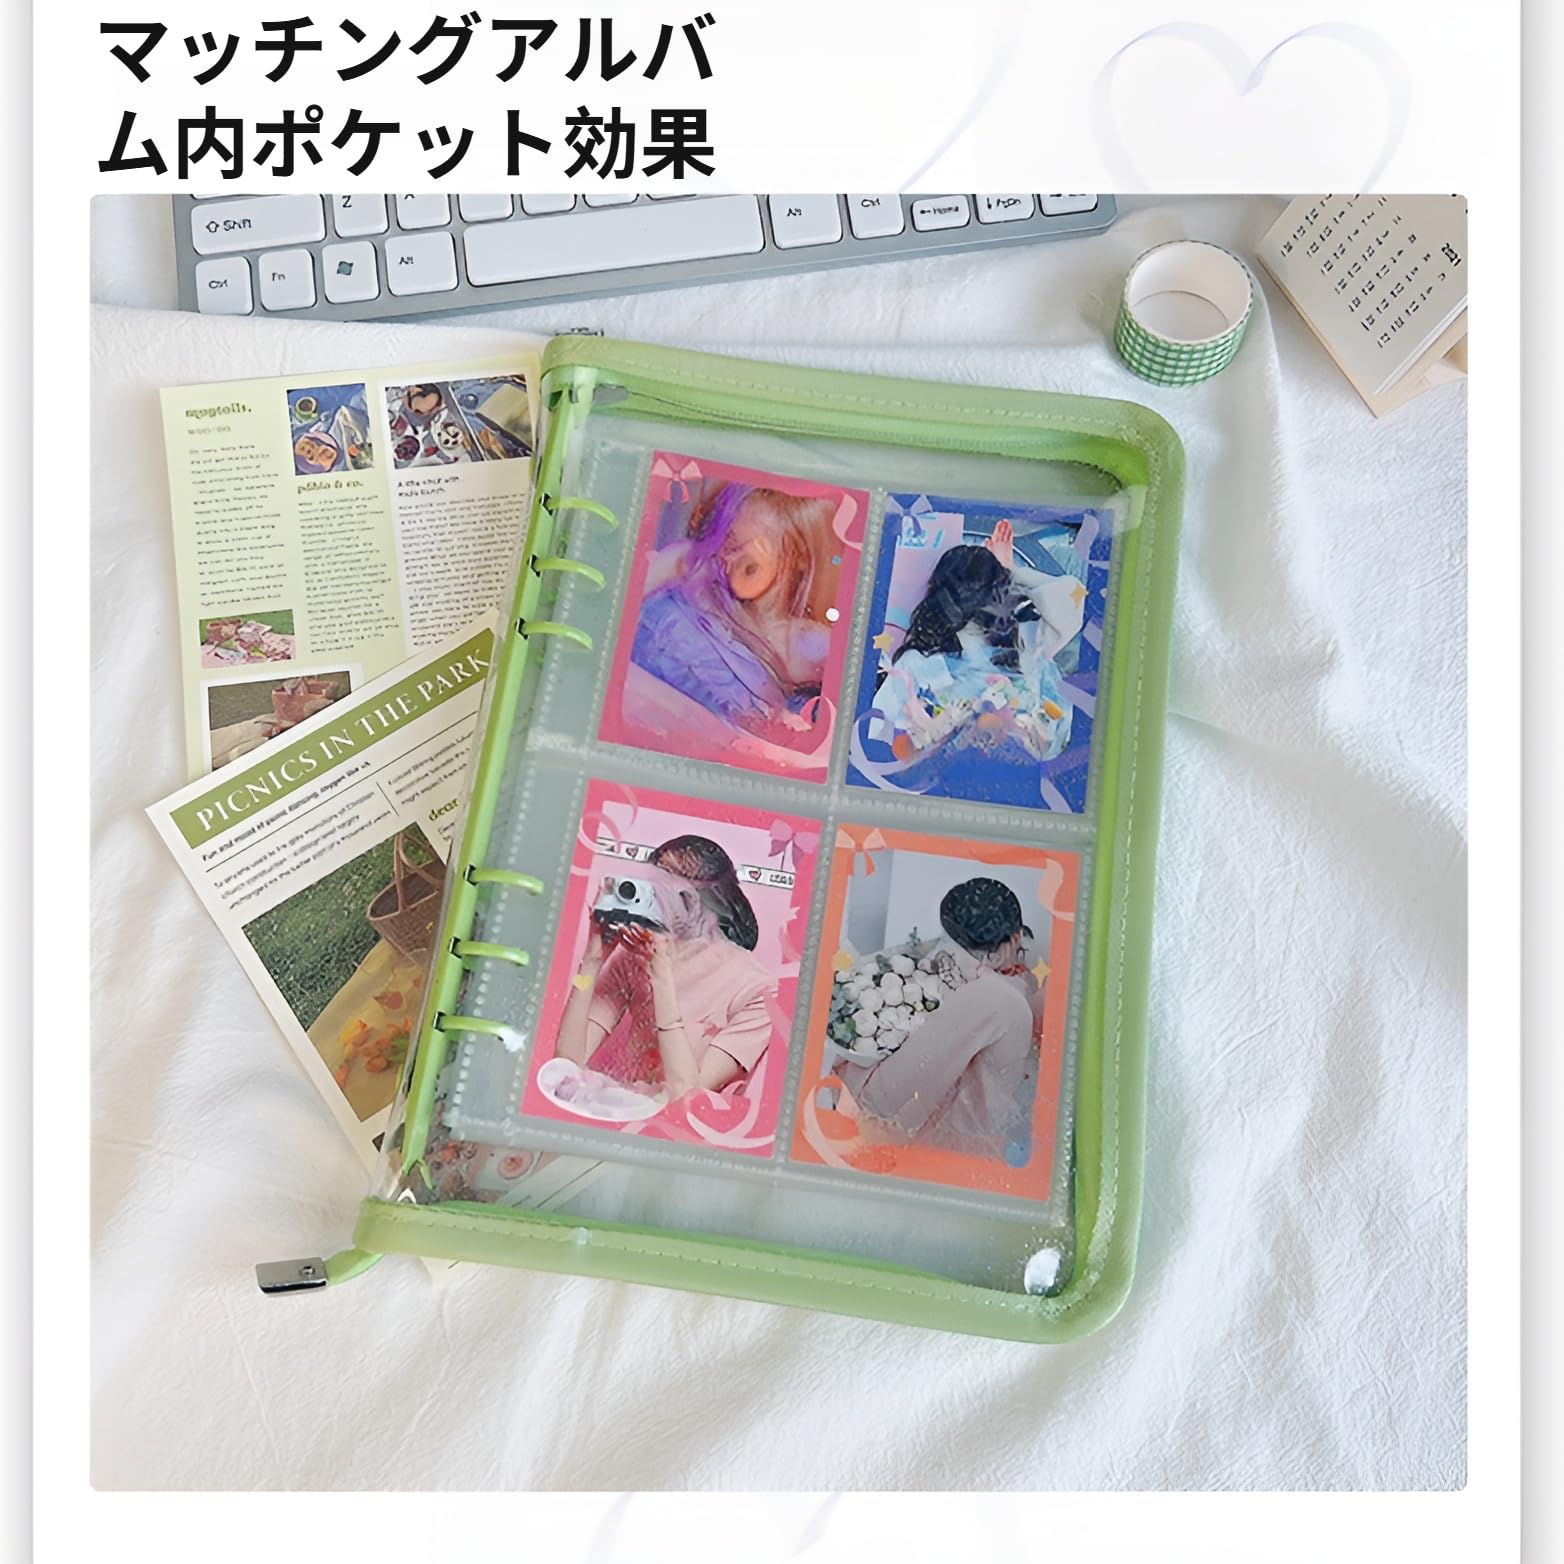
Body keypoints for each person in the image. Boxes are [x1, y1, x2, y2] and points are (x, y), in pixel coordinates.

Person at [553, 834, 774, 1101]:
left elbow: (686, 1095)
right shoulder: (633, 957)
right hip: (624, 1108)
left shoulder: (759, 990)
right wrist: (591, 960)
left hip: (678, 1125)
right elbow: (567, 1063)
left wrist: (661, 975)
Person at [842, 876, 1046, 1159]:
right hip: (954, 1143)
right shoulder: (1004, 993)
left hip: (930, 1146)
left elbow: (881, 1102)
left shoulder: (999, 996)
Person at [869, 519, 1088, 768]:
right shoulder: (1025, 643)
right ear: (1002, 594)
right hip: (981, 780)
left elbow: (878, 736)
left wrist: (1012, 571)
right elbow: (1074, 600)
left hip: (990, 778)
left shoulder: (1022, 640)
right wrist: (1013, 572)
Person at [629, 483, 836, 744]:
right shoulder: (691, 568)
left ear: (797, 557)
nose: (728, 560)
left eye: (749, 560)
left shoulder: (804, 642)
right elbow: (619, 607)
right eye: (727, 542)